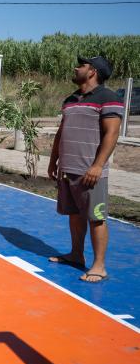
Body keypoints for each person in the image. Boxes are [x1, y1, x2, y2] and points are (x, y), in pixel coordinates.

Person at [48, 55, 123, 283]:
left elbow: (112, 133)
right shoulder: (71, 99)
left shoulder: (108, 98)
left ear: (93, 72)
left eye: (81, 65)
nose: (76, 67)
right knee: (74, 214)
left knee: (96, 218)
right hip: (68, 169)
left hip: (90, 172)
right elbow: (62, 132)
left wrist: (98, 165)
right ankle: (76, 254)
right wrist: (53, 160)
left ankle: (99, 266)